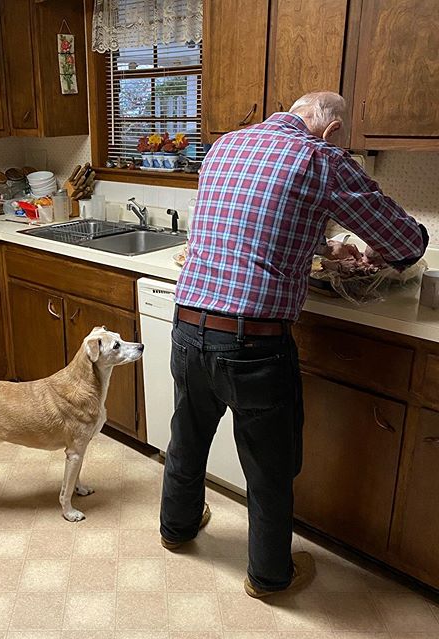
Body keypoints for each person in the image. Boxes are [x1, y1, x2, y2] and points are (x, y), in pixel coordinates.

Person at [159, 91, 428, 598]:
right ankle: (269, 576)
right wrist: (374, 247)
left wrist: (325, 245)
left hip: (189, 326)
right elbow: (407, 243)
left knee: (188, 435)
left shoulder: (225, 145)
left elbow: (254, 224)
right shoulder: (320, 158)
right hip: (253, 344)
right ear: (330, 132)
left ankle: (176, 528)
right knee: (270, 465)